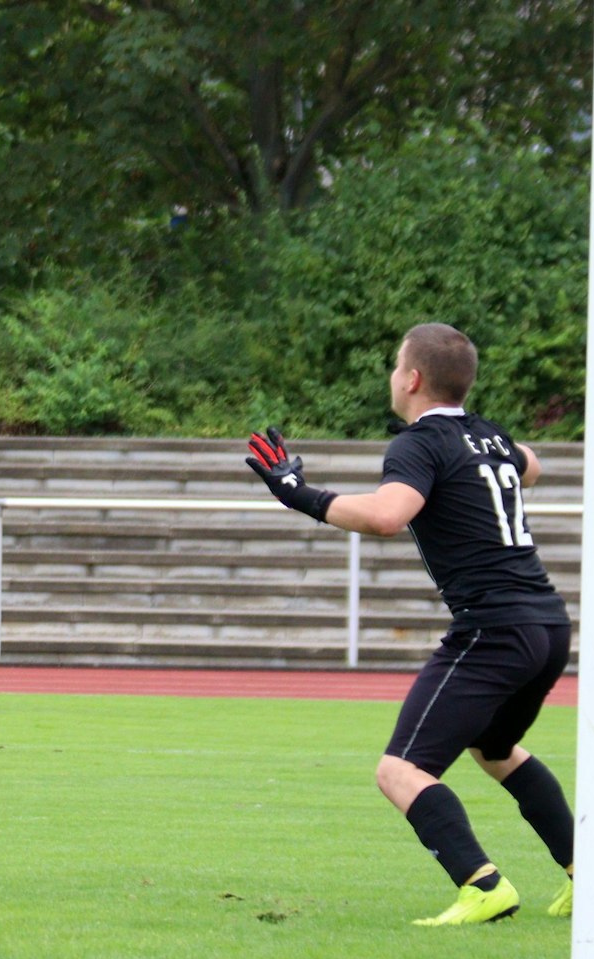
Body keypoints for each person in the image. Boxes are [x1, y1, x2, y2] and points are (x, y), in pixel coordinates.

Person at [245, 323, 575, 925]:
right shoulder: (490, 435)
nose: (393, 376)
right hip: (547, 625)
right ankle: (588, 873)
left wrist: (298, 493)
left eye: (397, 365)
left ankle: (482, 885)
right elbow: (532, 467)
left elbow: (387, 517)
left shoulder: (418, 443)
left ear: (413, 379)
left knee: (399, 770)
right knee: (495, 749)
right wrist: (487, 454)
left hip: (493, 628)